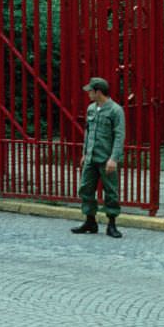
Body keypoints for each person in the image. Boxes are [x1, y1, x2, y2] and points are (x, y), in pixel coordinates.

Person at [71, 77, 125, 239]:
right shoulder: (91, 109)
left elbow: (119, 135)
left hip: (106, 158)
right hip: (91, 158)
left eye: (91, 91)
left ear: (98, 92)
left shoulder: (115, 110)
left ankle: (112, 224)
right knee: (86, 189)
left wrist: (114, 158)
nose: (88, 94)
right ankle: (90, 221)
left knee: (111, 192)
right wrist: (85, 153)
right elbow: (88, 133)